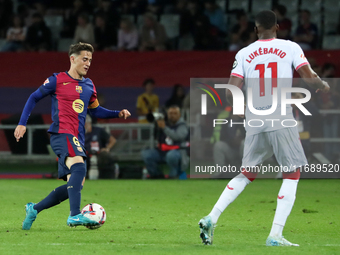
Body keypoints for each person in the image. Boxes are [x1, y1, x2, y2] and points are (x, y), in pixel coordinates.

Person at [198, 10, 330, 246]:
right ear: (278, 27)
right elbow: (309, 78)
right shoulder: (290, 47)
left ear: (256, 29)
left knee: (247, 173)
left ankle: (211, 217)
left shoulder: (243, 53)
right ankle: (275, 235)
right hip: (281, 117)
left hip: (255, 120)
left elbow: (230, 92)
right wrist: (322, 84)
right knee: (292, 173)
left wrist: (246, 107)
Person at [15, 42, 131, 230]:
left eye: (90, 60)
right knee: (79, 167)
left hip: (77, 138)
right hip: (61, 133)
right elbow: (33, 97)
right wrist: (22, 123)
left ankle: (34, 209)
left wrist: (117, 113)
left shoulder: (88, 85)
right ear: (73, 59)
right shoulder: (57, 79)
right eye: (85, 59)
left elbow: (96, 111)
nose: (88, 63)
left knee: (75, 186)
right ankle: (75, 215)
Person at [141, 105, 189, 179]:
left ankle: (173, 175)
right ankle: (156, 175)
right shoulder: (164, 123)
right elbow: (155, 137)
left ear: (179, 115)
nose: (172, 115)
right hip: (162, 151)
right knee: (146, 154)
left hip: (177, 151)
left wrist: (164, 128)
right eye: (170, 113)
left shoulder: (182, 125)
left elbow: (177, 137)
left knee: (171, 155)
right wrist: (157, 126)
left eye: (175, 113)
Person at [84, 114, 117, 178]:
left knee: (105, 156)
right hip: (85, 154)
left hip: (99, 154)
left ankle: (107, 176)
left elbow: (113, 140)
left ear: (89, 123)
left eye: (85, 124)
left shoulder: (98, 131)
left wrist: (107, 148)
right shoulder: (80, 133)